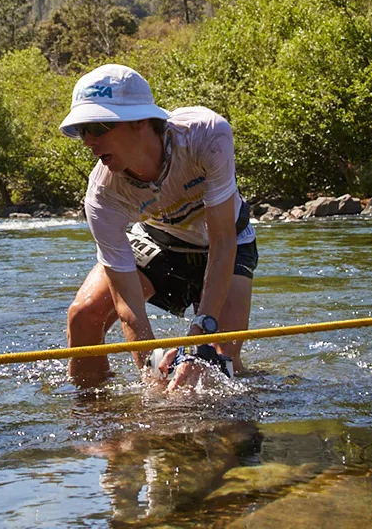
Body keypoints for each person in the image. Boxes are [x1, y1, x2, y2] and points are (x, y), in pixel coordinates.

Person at [60, 64, 258, 390]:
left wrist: (201, 339)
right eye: (82, 131)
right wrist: (151, 365)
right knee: (83, 317)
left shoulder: (207, 135)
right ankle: (96, 420)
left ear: (140, 121)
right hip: (160, 241)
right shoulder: (101, 196)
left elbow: (223, 242)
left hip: (227, 242)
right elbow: (128, 304)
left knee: (220, 364)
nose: (88, 142)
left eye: (97, 126)